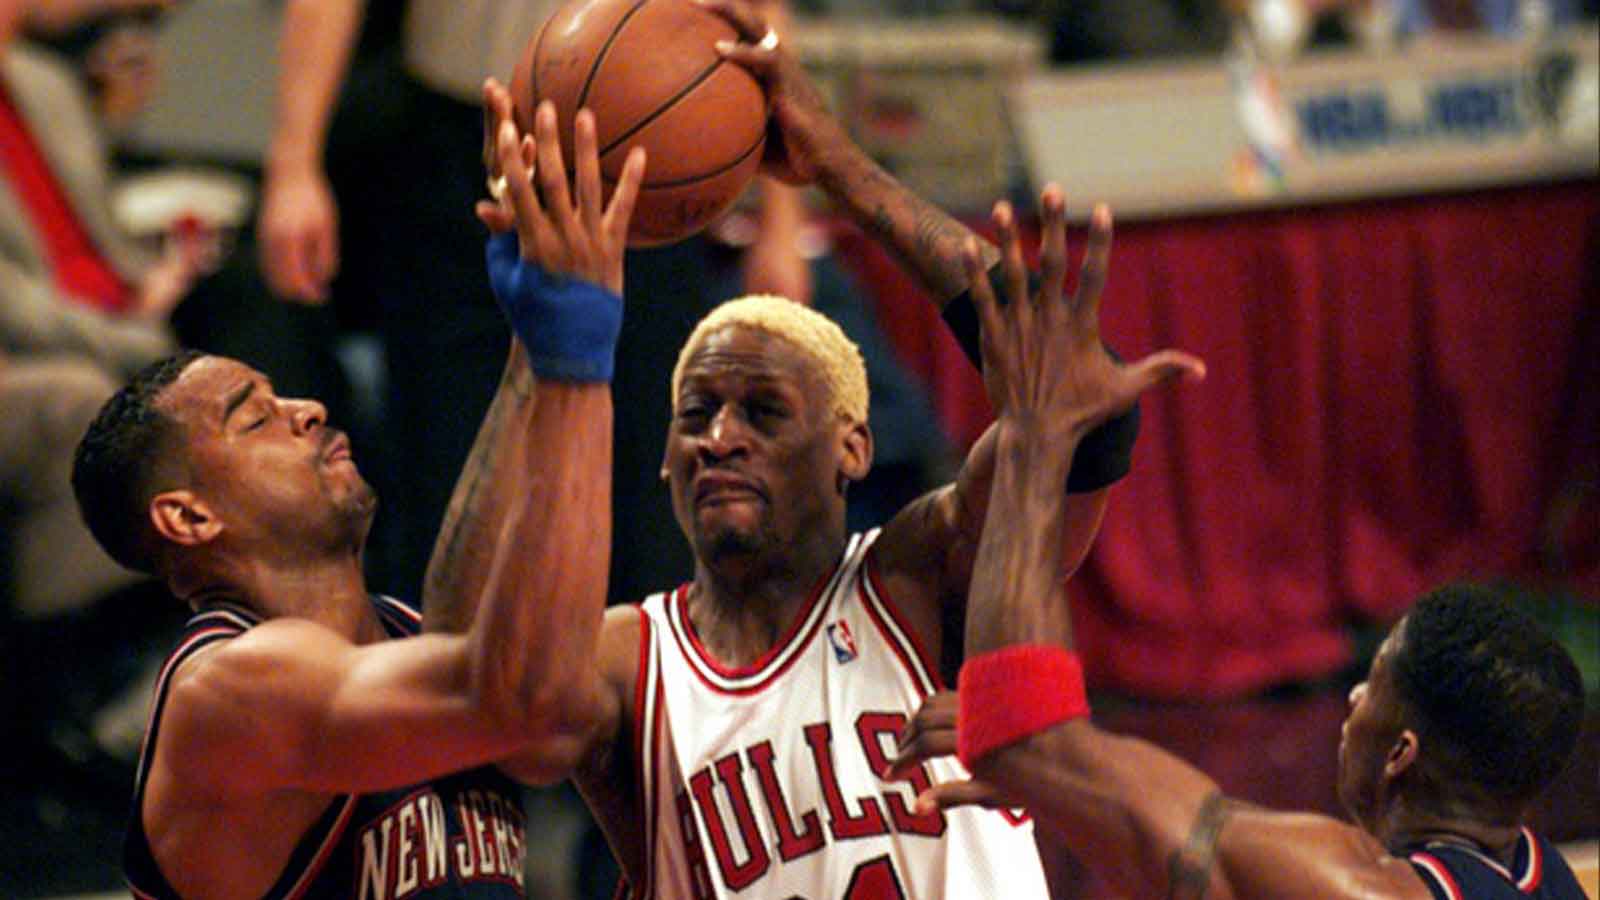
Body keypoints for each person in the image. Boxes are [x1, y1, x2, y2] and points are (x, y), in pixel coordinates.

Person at [445, 2, 1147, 894]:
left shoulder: (926, 585)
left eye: (765, 412)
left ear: (853, 448)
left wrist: (837, 168)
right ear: (664, 460)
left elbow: (1082, 408)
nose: (721, 439)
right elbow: (467, 688)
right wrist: (540, 341)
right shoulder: (630, 665)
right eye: (695, 416)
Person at [887, 190, 1588, 899]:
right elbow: (1246, 835)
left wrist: (1038, 432)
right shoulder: (1537, 870)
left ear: (1401, 754)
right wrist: (1076, 789)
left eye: (1373, 684)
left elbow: (1022, 732)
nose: (1351, 697)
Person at [68, 99, 646, 898]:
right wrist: (580, 345)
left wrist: (535, 343)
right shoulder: (227, 694)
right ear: (189, 517)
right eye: (254, 416)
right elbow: (520, 699)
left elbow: (529, 708)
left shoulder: (415, 640)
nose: (305, 409)